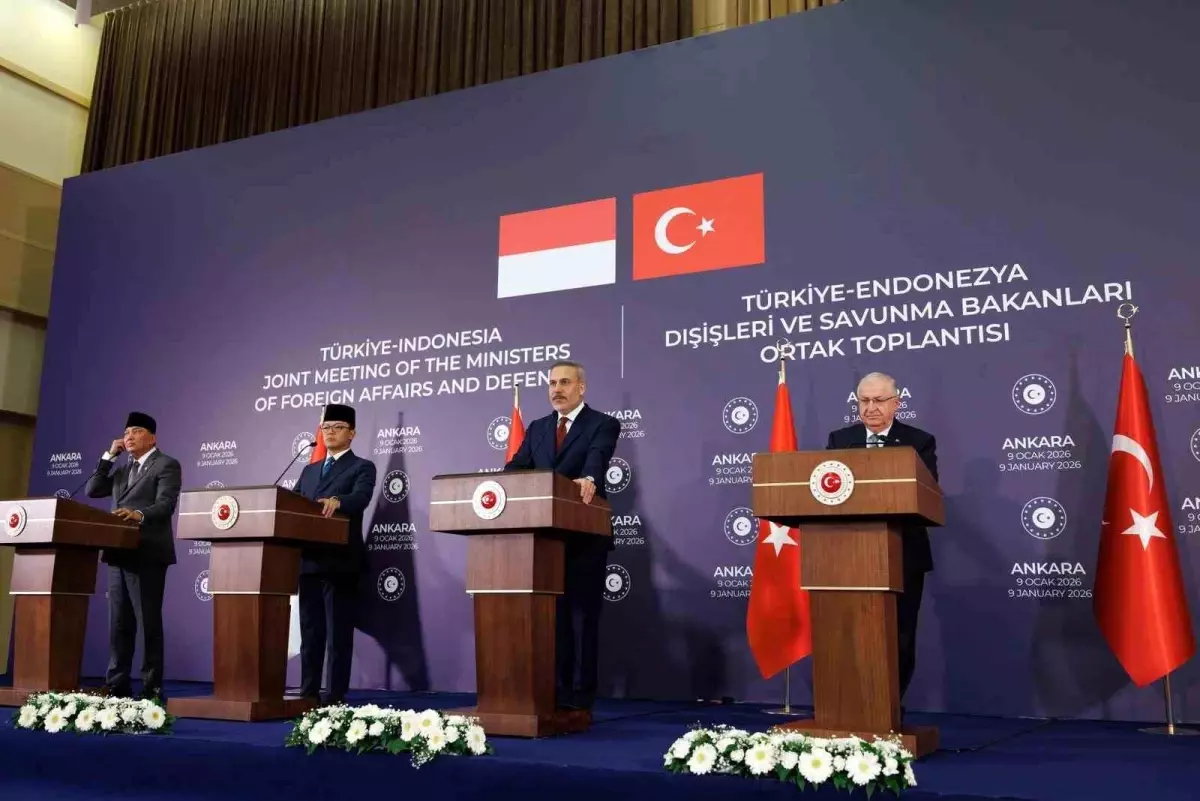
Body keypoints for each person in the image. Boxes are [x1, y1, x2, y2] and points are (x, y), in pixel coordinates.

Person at [504, 360, 621, 711]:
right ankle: (555, 690)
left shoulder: (602, 423)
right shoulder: (538, 428)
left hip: (584, 534)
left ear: (581, 387)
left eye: (565, 382)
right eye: (552, 383)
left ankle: (582, 696)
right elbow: (516, 468)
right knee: (552, 617)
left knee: (582, 618)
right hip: (545, 537)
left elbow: (597, 459)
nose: (557, 389)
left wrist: (589, 479)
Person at [825, 372, 937, 700]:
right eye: (864, 400)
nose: (870, 407)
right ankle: (853, 704)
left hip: (903, 554)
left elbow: (927, 493)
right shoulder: (841, 440)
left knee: (899, 633)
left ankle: (890, 706)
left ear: (896, 403)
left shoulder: (918, 441)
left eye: (878, 400)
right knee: (850, 634)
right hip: (849, 555)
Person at [86, 411, 182, 701]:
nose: (129, 436)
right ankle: (117, 685)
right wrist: (108, 457)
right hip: (118, 553)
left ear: (152, 437)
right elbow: (93, 489)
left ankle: (152, 688)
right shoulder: (122, 470)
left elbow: (166, 504)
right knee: (119, 623)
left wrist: (138, 514)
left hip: (148, 553)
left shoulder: (166, 464)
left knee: (148, 622)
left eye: (136, 431)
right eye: (126, 433)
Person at [293, 403, 378, 705]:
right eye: (326, 428)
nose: (329, 432)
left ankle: (335, 696)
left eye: (338, 427)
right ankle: (307, 694)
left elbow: (361, 498)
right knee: (310, 633)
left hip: (340, 561)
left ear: (352, 433)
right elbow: (293, 503)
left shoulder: (362, 466)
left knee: (338, 634)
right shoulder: (309, 470)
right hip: (308, 561)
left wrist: (338, 501)